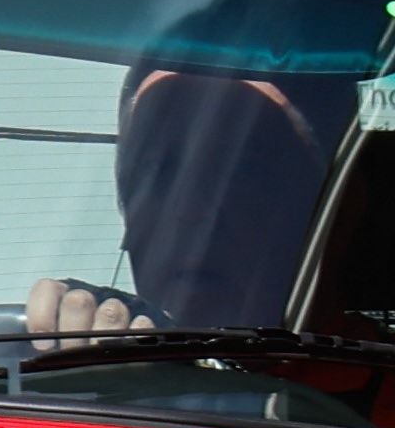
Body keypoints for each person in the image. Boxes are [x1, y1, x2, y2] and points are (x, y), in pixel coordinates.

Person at [25, 69, 354, 337]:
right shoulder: (75, 369)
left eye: (243, 172)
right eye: (158, 171)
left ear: (340, 209)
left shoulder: (382, 391)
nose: (191, 211)